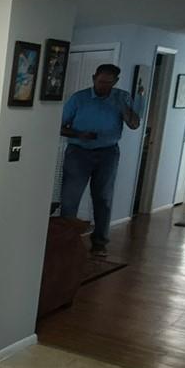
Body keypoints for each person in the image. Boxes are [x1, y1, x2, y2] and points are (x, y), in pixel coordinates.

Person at [59, 63, 140, 256]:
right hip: (78, 152)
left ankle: (99, 243)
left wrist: (123, 106)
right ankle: (66, 242)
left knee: (103, 198)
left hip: (108, 153)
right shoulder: (79, 98)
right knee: (70, 198)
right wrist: (80, 134)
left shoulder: (122, 97)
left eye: (109, 83)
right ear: (93, 78)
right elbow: (58, 126)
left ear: (115, 82)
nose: (103, 86)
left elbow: (134, 124)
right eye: (101, 81)